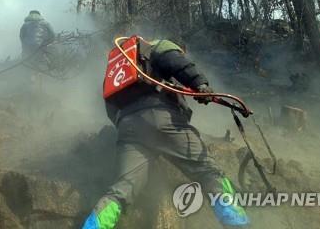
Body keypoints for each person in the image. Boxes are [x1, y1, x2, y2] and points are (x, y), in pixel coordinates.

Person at [82, 38, 249, 229]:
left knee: (121, 190)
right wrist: (200, 84)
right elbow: (176, 62)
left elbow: (111, 108)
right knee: (208, 171)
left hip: (127, 128)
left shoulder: (119, 68)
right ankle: (237, 224)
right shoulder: (159, 45)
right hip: (162, 118)